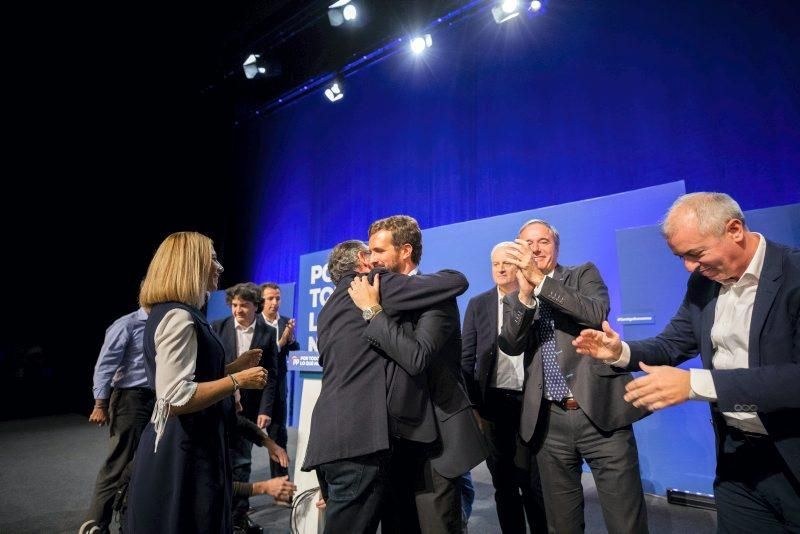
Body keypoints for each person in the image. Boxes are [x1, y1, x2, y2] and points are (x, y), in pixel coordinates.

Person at [573, 192, 800, 532]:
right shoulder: (703, 282)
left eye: (696, 254)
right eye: (682, 257)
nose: (690, 267)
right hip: (737, 457)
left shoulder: (794, 274)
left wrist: (694, 384)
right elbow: (673, 343)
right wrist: (620, 352)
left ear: (735, 229)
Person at [301, 239, 471, 534]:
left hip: (327, 439)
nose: (377, 262)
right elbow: (456, 281)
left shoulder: (329, 307)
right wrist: (373, 307)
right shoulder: (371, 284)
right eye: (373, 255)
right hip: (361, 440)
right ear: (364, 264)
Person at [499, 219, 648, 533]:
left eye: (543, 242)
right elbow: (511, 344)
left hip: (601, 414)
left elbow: (594, 313)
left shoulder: (582, 274)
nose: (535, 249)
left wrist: (541, 281)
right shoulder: (516, 297)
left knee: (626, 521)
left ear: (556, 246)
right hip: (550, 422)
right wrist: (526, 297)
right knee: (561, 524)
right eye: (527, 243)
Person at [350, 215, 487, 534]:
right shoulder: (373, 293)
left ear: (405, 250)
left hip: (436, 444)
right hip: (391, 442)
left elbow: (416, 358)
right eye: (369, 252)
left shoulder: (436, 296)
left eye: (379, 251)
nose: (372, 259)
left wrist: (373, 313)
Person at [124, 231, 268, 533]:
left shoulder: (175, 312)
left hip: (190, 447)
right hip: (184, 454)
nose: (220, 267)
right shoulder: (179, 316)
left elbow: (189, 375)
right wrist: (236, 379)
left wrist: (229, 367)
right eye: (213, 258)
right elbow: (176, 397)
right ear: (193, 264)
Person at [461, 242, 547, 533]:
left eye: (506, 263)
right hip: (492, 406)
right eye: (495, 263)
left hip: (530, 404)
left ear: (520, 266)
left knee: (532, 484)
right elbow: (466, 359)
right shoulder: (478, 304)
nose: (499, 268)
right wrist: (474, 407)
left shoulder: (535, 300)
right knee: (503, 484)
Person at [80, 307, 155, 534]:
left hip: (157, 399)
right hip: (130, 399)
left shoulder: (163, 321)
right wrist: (100, 404)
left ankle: (130, 522)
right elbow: (105, 364)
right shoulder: (127, 324)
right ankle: (95, 524)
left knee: (144, 465)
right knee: (119, 462)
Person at [213, 282, 279, 533]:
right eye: (235, 305)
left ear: (255, 306)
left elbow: (272, 376)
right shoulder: (217, 328)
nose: (238, 310)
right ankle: (216, 512)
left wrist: (266, 409)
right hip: (218, 405)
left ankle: (238, 517)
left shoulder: (266, 332)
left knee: (241, 462)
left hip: (249, 409)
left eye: (244, 305)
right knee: (217, 459)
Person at [260, 282, 300, 479]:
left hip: (277, 389)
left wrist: (290, 339)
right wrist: (282, 341)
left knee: (278, 437)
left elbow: (293, 349)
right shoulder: (254, 322)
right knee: (244, 439)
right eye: (270, 299)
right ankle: (238, 498)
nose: (274, 303)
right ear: (261, 301)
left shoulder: (285, 322)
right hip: (255, 389)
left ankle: (281, 487)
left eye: (277, 298)